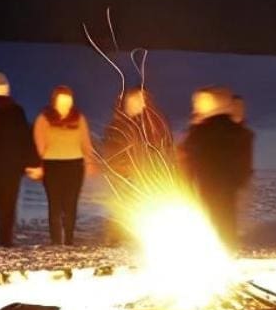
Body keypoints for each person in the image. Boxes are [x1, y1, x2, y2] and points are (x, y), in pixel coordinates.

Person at [179, 86, 253, 249]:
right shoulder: (229, 130)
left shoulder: (207, 131)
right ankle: (225, 246)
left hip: (209, 184)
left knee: (215, 216)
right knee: (223, 216)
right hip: (220, 184)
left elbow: (188, 155)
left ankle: (220, 248)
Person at [32, 85, 96, 246]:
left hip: (74, 166)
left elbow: (85, 142)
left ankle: (68, 239)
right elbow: (38, 141)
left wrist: (89, 162)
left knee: (71, 204)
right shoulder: (44, 118)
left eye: (68, 100)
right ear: (55, 101)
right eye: (62, 100)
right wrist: (39, 163)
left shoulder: (78, 118)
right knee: (55, 204)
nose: (65, 103)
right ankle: (55, 241)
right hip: (52, 166)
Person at [0, 72, 38, 248]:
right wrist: (33, 163)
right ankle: (6, 241)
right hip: (10, 170)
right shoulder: (15, 111)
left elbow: (24, 138)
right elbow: (25, 139)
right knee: (7, 208)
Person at [103, 85, 173, 180]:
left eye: (143, 100)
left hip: (151, 174)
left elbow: (164, 143)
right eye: (137, 100)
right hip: (127, 177)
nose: (142, 104)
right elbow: (112, 150)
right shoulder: (118, 126)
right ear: (128, 102)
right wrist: (122, 170)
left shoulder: (153, 122)